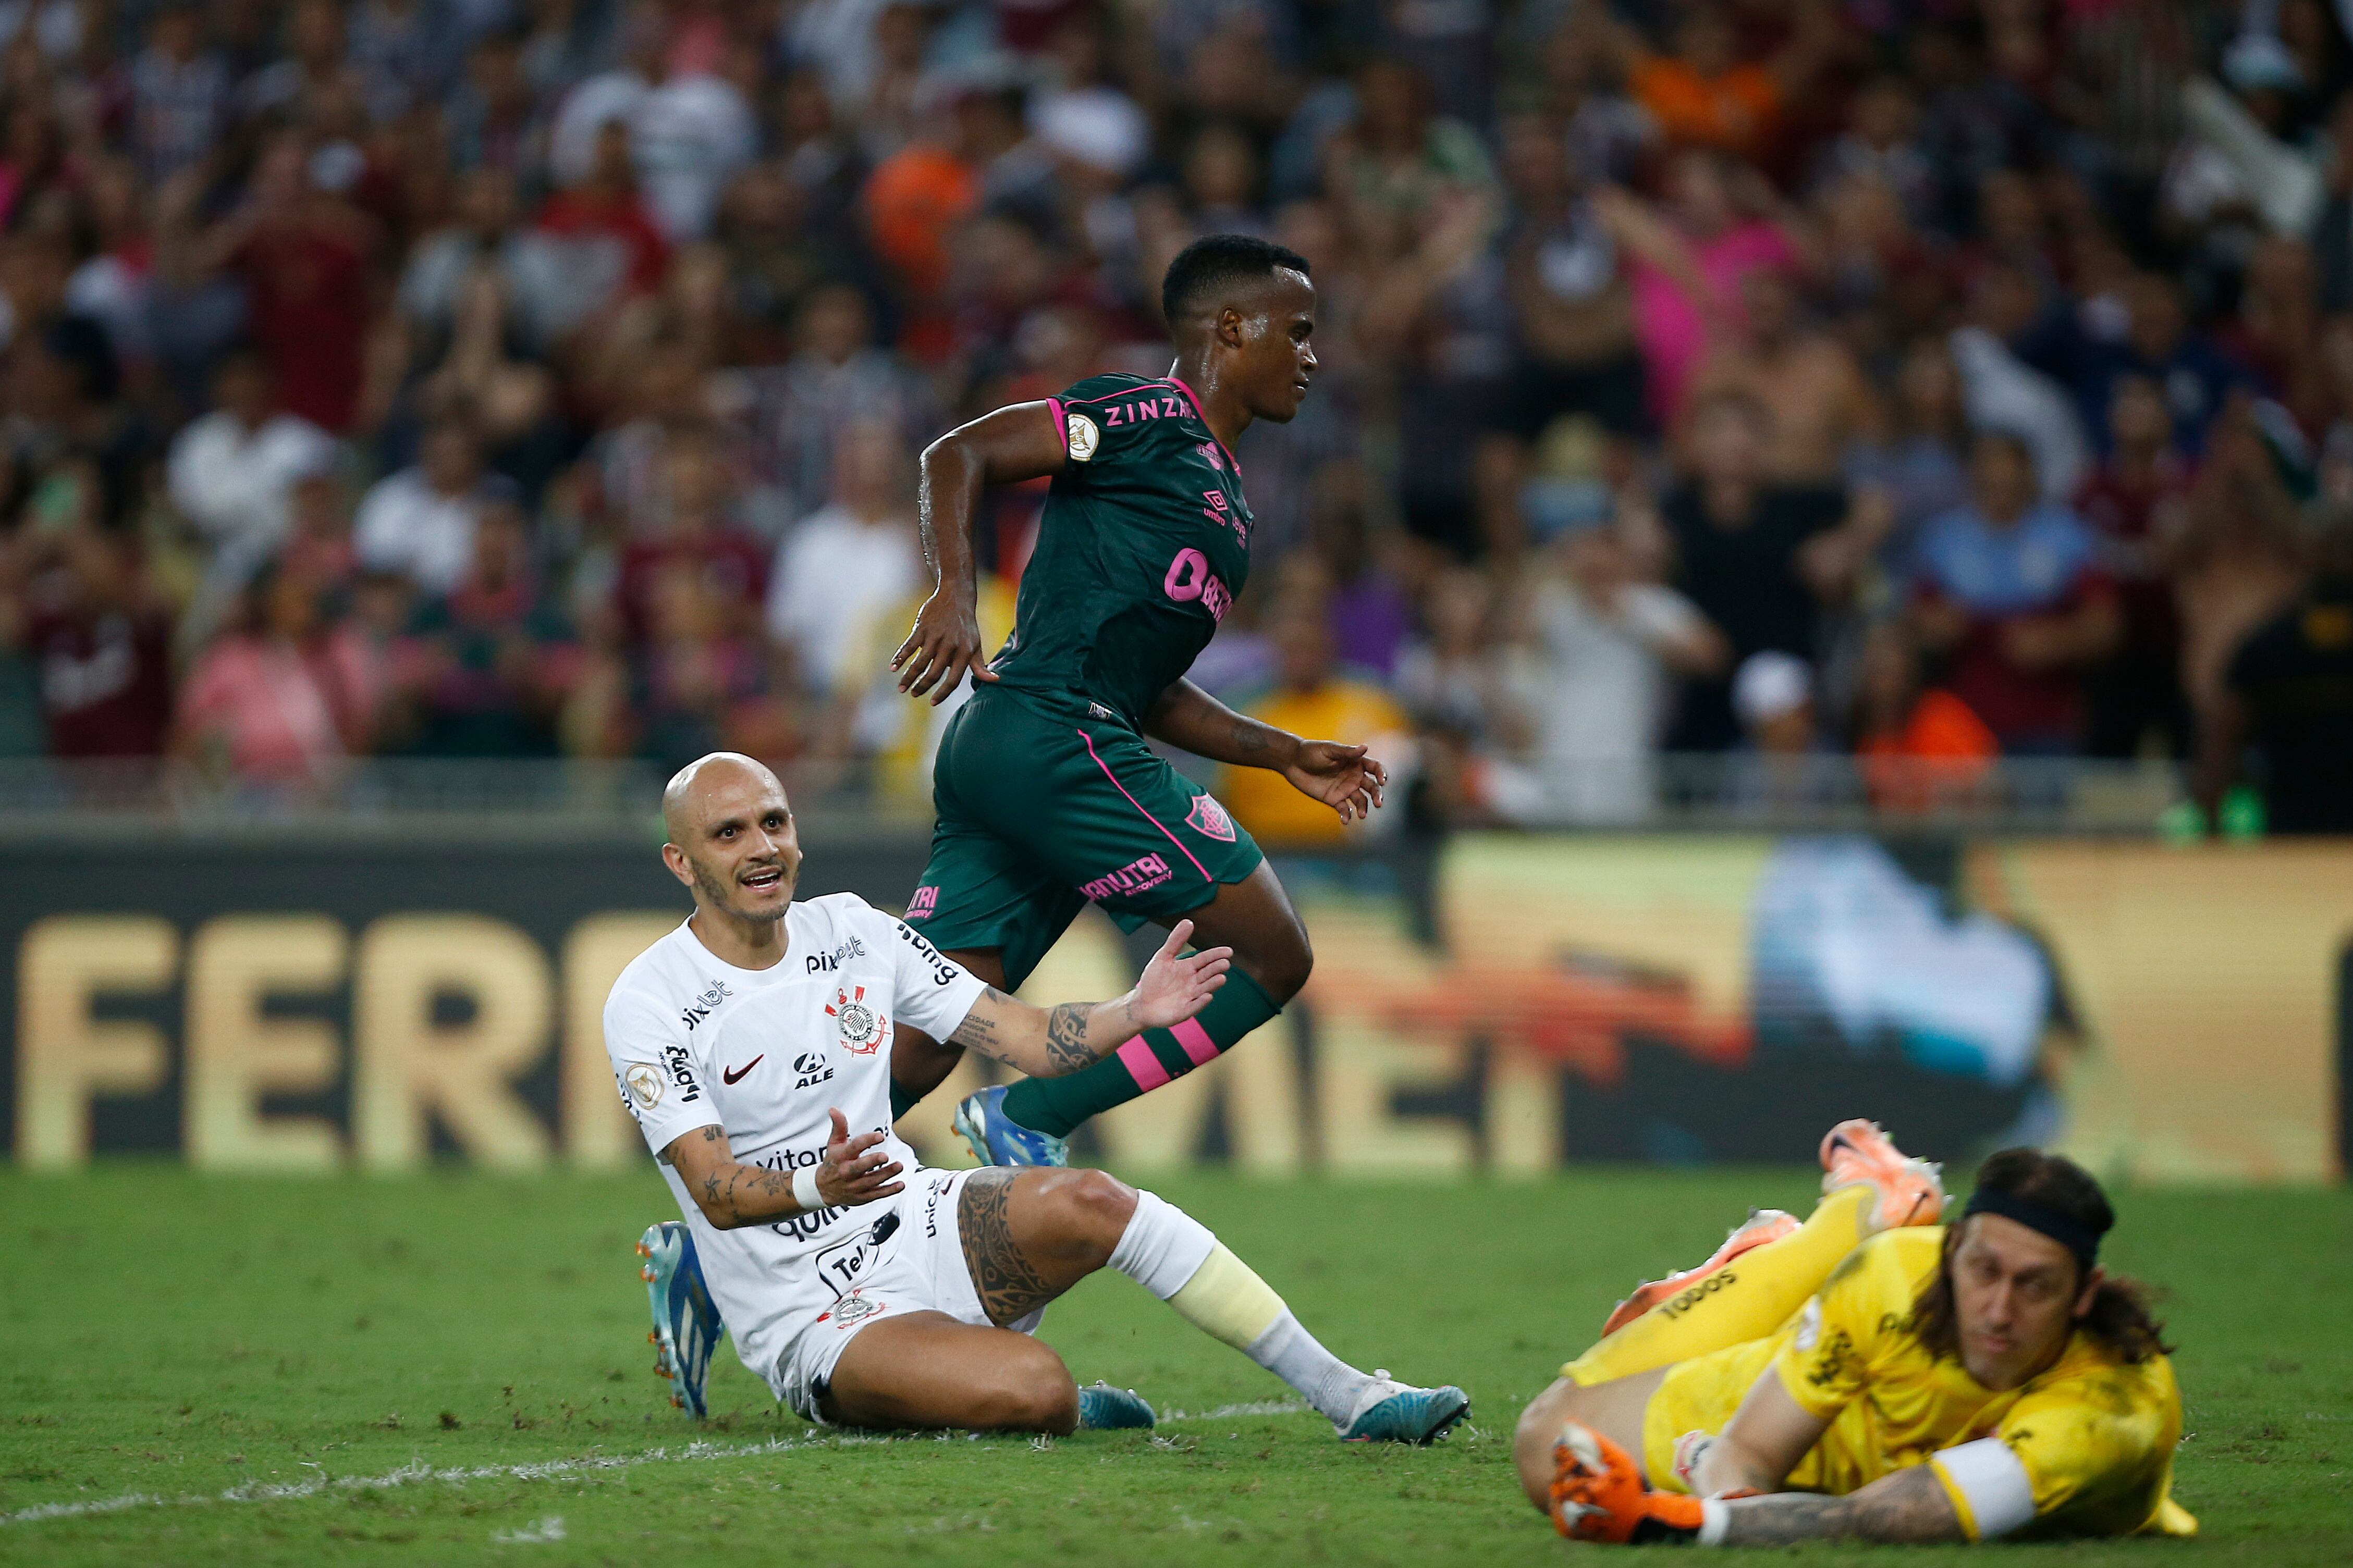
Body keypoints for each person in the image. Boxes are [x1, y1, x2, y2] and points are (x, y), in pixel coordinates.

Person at [610, 752, 1467, 1442]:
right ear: (680, 861)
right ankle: (982, 1387)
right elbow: (713, 1190)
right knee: (1040, 1389)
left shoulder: (854, 929)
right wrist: (816, 1185)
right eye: (729, 832)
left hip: (911, 1218)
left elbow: (1021, 1035)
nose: (761, 847)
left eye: (774, 821)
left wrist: (1133, 1011)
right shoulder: (650, 999)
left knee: (1097, 1199)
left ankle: (1347, 1392)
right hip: (810, 1308)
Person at [884, 234, 1387, 1166]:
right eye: (1298, 330)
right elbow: (959, 452)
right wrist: (954, 591)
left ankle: (734, 1214)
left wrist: (1280, 750)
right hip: (1056, 737)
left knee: (920, 1040)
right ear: (1230, 327)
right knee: (1274, 954)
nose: (1312, 356)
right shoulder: (1151, 414)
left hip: (1016, 747)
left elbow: (1146, 688)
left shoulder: (1226, 494)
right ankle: (1031, 1115)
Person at [1513, 1126, 2193, 1545]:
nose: (1998, 1309)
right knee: (1546, 1446)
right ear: (1951, 1250)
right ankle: (1859, 1209)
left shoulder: (2110, 1407)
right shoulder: (1894, 1275)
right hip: (1824, 1409)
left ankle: (1775, 1274)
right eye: (1983, 1270)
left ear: (2083, 1294)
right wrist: (1730, 1503)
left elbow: (1889, 1517)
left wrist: (1687, 1521)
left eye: (2035, 1285)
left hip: (1862, 1474)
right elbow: (1750, 1450)